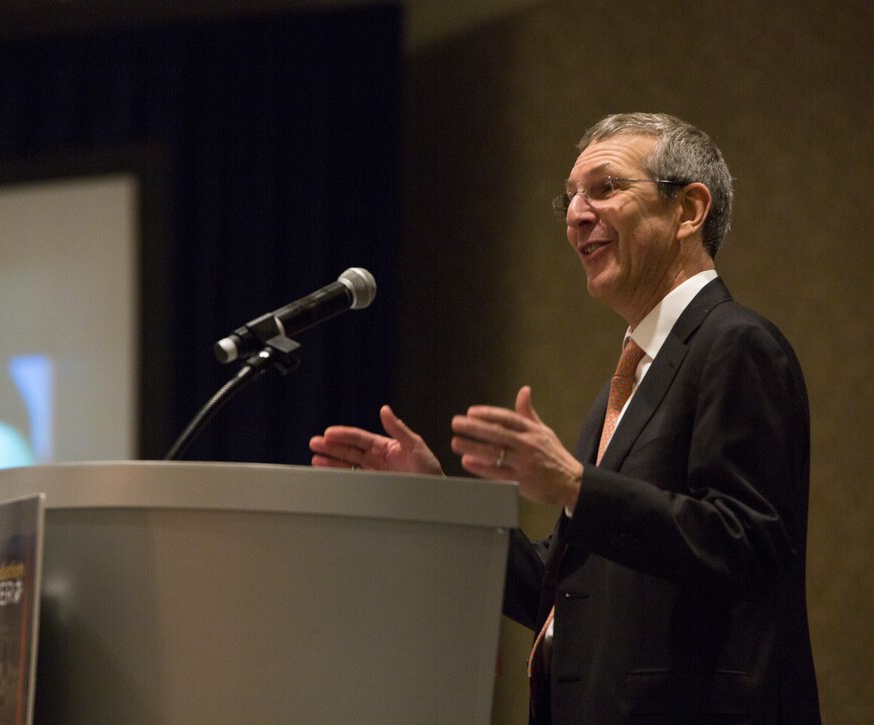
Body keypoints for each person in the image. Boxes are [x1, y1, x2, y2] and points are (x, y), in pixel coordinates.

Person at [310, 113, 820, 724]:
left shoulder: (736, 343)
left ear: (688, 210)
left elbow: (750, 544)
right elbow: (559, 590)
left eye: (605, 188)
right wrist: (438, 505)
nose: (577, 214)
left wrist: (579, 486)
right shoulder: (625, 383)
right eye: (572, 197)